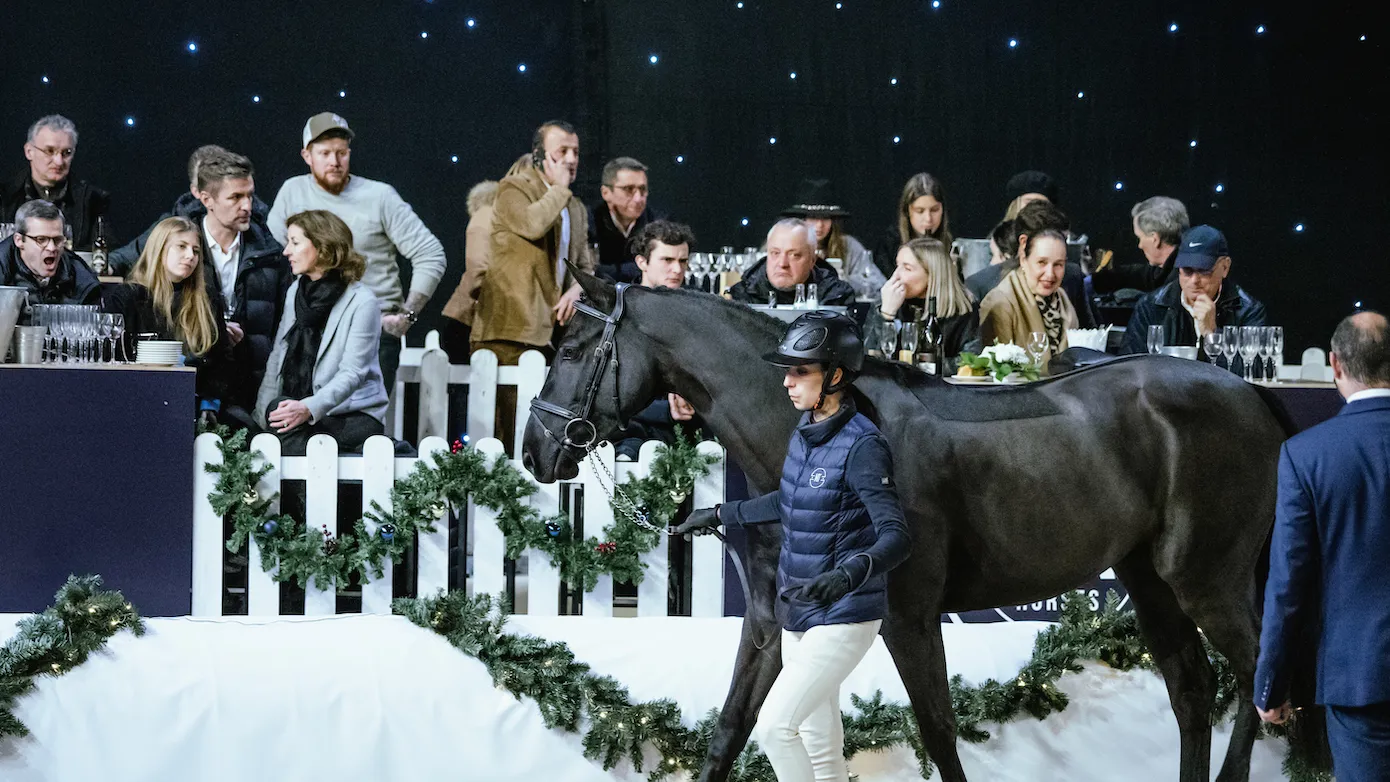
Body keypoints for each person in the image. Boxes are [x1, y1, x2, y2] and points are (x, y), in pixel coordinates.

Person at [673, 311, 912, 782]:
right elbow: (789, 500)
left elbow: (897, 536)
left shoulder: (864, 446)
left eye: (800, 371)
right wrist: (721, 514)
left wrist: (846, 575)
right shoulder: (805, 433)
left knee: (775, 729)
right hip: (800, 609)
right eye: (787, 370)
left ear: (836, 375)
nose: (786, 382)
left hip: (845, 615)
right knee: (820, 745)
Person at [1256, 311, 1390, 780]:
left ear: (1334, 365)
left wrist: (1271, 684)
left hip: (1360, 682)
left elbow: (1288, 584)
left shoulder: (1306, 454)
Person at [267, 112, 446, 391]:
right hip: (313, 327)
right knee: (303, 419)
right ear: (306, 155)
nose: (334, 162)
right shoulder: (292, 192)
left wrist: (407, 316)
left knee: (360, 426)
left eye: (341, 153)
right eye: (324, 153)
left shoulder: (379, 197)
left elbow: (430, 253)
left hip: (371, 329)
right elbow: (275, 255)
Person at [255, 210, 388, 455]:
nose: (286, 251)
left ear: (322, 246)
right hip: (301, 409)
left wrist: (309, 407)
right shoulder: (296, 291)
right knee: (274, 421)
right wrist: (261, 420)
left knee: (288, 442)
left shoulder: (362, 301)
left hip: (350, 414)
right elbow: (279, 353)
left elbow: (353, 372)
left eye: (295, 242)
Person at [471, 120, 592, 363]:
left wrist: (575, 292)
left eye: (575, 152)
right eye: (562, 151)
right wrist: (559, 189)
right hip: (510, 333)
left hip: (555, 333)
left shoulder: (575, 206)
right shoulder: (512, 189)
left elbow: (586, 266)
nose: (571, 159)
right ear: (540, 155)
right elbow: (533, 225)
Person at [106, 217, 233, 425]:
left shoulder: (207, 298)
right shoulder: (127, 297)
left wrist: (210, 404)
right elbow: (113, 359)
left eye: (196, 251)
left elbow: (221, 360)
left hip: (195, 405)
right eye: (181, 247)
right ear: (159, 249)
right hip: (136, 404)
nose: (190, 256)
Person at [108, 144, 272, 277]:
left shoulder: (266, 244)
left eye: (249, 196)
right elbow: (126, 257)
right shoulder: (174, 227)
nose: (247, 206)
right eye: (235, 197)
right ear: (201, 195)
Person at [614, 220, 699, 460]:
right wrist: (666, 410)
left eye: (682, 261)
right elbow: (614, 394)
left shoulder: (695, 314)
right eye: (667, 260)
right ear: (642, 262)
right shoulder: (621, 316)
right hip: (632, 432)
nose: (677, 270)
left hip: (690, 431)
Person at [1119, 225, 1267, 357]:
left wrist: (1212, 334)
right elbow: (1128, 369)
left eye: (1204, 271)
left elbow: (1257, 375)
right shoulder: (1151, 306)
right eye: (1187, 271)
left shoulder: (1248, 310)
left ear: (1225, 267)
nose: (1194, 280)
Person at [1, 115, 110, 250]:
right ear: (29, 151)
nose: (59, 161)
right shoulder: (4, 197)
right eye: (49, 151)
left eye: (66, 153)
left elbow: (106, 254)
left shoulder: (93, 200)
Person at [878, 237, 981, 369]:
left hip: (944, 387)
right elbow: (872, 360)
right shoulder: (889, 301)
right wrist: (886, 315)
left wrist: (924, 367)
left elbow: (970, 361)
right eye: (898, 266)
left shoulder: (965, 309)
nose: (896, 275)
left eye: (907, 269)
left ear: (933, 275)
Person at [979, 226, 1077, 362]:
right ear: (1023, 260)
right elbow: (999, 371)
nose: (1050, 274)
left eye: (1058, 265)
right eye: (1042, 262)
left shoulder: (1062, 298)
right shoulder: (1000, 302)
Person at [782, 178, 884, 300]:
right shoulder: (783, 244)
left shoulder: (849, 246)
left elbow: (879, 284)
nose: (820, 225)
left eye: (825, 218)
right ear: (802, 219)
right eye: (813, 218)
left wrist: (844, 282)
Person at [727, 219, 856, 307]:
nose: (782, 264)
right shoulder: (740, 295)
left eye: (794, 255)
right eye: (775, 253)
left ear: (812, 260)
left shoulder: (836, 296)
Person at [440, 180, 499, 362]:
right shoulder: (491, 217)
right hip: (479, 315)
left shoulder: (482, 217)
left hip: (467, 314)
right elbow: (480, 268)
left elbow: (477, 269)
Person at [0, 199, 101, 306]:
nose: (52, 248)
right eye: (41, 239)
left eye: (57, 240)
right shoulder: (3, 270)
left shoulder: (81, 279)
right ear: (19, 240)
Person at [965, 201, 1067, 303]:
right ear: (1024, 242)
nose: (1050, 274)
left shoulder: (1071, 278)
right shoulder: (982, 284)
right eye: (1042, 262)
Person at [1091, 196, 1189, 296]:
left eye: (1140, 237)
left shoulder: (1180, 281)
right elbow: (1134, 274)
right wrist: (1092, 278)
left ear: (1155, 239)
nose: (1140, 245)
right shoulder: (1173, 267)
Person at [589, 157, 662, 283]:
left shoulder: (658, 223)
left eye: (643, 189)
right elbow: (587, 272)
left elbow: (661, 269)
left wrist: (606, 271)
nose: (638, 198)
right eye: (629, 189)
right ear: (605, 193)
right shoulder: (588, 221)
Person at [874, 172, 953, 278]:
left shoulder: (950, 244)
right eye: (920, 211)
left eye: (934, 210)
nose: (928, 219)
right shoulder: (889, 245)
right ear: (907, 211)